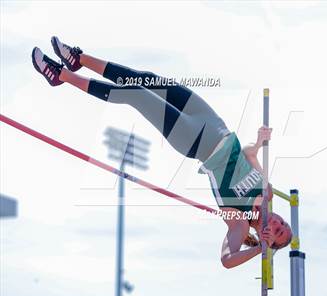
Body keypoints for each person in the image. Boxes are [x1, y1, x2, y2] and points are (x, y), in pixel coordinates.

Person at [31, 36, 292, 269]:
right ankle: (79, 59)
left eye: (276, 233)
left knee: (135, 94)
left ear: (266, 237)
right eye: (283, 225)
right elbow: (248, 155)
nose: (277, 224)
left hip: (196, 141)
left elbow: (226, 259)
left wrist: (260, 250)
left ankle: (61, 76)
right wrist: (258, 143)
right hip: (214, 122)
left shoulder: (240, 223)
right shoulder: (267, 192)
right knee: (145, 79)